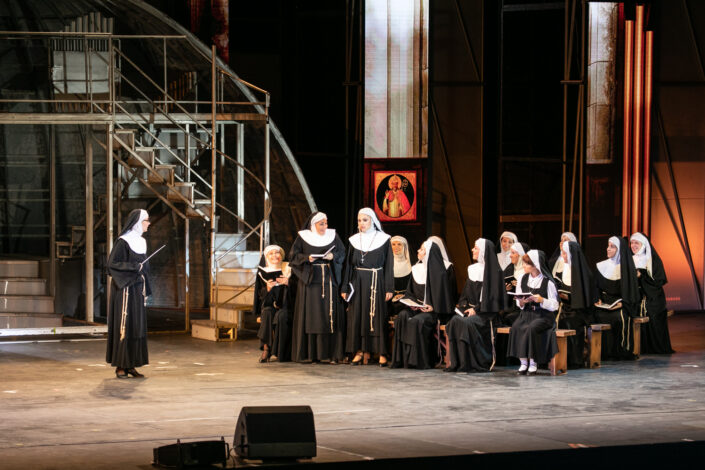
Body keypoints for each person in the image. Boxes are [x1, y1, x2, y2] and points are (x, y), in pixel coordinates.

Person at [289, 212, 346, 363]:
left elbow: (342, 253)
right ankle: (311, 354)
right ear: (313, 224)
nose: (324, 226)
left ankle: (331, 354)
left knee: (328, 316)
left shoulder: (333, 236)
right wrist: (306, 258)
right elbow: (293, 257)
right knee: (312, 316)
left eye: (326, 223)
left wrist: (332, 256)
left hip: (328, 279)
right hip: (311, 281)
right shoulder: (303, 237)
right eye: (321, 224)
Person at [390, 236, 456, 369]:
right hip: (417, 309)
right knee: (402, 316)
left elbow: (445, 298)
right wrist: (412, 304)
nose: (418, 252)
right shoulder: (416, 269)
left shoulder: (440, 273)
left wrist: (433, 307)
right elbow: (410, 293)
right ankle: (401, 359)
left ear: (428, 253)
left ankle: (417, 361)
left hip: (433, 312)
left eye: (421, 250)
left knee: (417, 321)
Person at [341, 208, 394, 366]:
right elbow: (348, 266)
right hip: (357, 282)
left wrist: (389, 288)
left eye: (365, 220)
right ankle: (359, 351)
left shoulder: (384, 239)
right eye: (359, 220)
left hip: (377, 281)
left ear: (372, 221)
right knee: (358, 316)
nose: (361, 223)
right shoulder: (354, 240)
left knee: (377, 316)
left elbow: (389, 265)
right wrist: (345, 288)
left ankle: (381, 352)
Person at [445, 238, 504, 372]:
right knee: (454, 321)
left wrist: (476, 309)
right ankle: (459, 362)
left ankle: (473, 363)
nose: (472, 250)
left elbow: (493, 298)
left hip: (486, 314)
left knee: (467, 323)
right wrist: (463, 308)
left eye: (476, 248)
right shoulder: (472, 269)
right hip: (471, 312)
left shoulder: (495, 272)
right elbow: (465, 295)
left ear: (483, 251)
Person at [106, 209, 152, 379]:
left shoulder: (142, 242)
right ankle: (120, 365)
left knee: (136, 325)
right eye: (146, 220)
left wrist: (146, 282)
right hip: (124, 289)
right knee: (124, 325)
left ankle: (131, 364)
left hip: (137, 289)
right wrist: (134, 267)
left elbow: (144, 267)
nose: (149, 223)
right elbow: (112, 264)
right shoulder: (123, 241)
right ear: (138, 222)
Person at [507, 250, 559, 375]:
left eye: (526, 264)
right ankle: (523, 362)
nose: (523, 266)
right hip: (526, 314)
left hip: (543, 316)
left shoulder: (548, 282)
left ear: (535, 265)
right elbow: (519, 302)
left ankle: (533, 363)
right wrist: (521, 302)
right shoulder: (522, 278)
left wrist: (541, 300)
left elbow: (555, 305)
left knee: (531, 328)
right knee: (516, 327)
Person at [593, 236, 641, 360]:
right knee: (595, 316)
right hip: (604, 304)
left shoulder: (627, 269)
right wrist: (597, 299)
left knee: (620, 317)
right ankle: (601, 352)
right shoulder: (601, 266)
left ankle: (621, 351)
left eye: (612, 247)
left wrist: (622, 303)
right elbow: (596, 287)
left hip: (621, 303)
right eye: (608, 246)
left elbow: (632, 292)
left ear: (619, 250)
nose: (608, 249)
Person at [630, 232, 674, 354]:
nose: (633, 245)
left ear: (643, 244)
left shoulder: (653, 260)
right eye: (632, 243)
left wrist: (641, 276)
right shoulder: (629, 260)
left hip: (653, 297)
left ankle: (653, 347)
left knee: (651, 311)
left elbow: (658, 281)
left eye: (636, 243)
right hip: (635, 296)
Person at [555, 241, 597, 368]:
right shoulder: (563, 270)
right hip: (565, 308)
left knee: (570, 322)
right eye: (562, 253)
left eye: (565, 253)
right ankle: (559, 358)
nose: (562, 256)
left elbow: (587, 299)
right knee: (556, 320)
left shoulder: (585, 274)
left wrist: (571, 298)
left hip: (581, 312)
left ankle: (575, 360)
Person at [254, 244, 293, 363]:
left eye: (277, 253)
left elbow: (298, 290)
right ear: (266, 257)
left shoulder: (289, 268)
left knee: (281, 315)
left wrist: (288, 283)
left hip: (288, 306)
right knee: (267, 313)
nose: (274, 256)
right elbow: (259, 294)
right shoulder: (262, 272)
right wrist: (268, 288)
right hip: (270, 305)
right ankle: (266, 349)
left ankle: (281, 352)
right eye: (271, 254)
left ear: (282, 255)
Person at [501, 241, 530, 326]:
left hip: (526, 308)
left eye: (513, 253)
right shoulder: (508, 270)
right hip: (510, 306)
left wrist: (520, 286)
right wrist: (505, 289)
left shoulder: (529, 270)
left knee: (509, 318)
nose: (510, 255)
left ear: (521, 255)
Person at [388, 235, 412, 318]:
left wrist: (404, 295)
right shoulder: (386, 264)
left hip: (407, 299)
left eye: (399, 244)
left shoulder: (412, 264)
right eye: (393, 244)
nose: (396, 247)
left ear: (405, 246)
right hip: (389, 298)